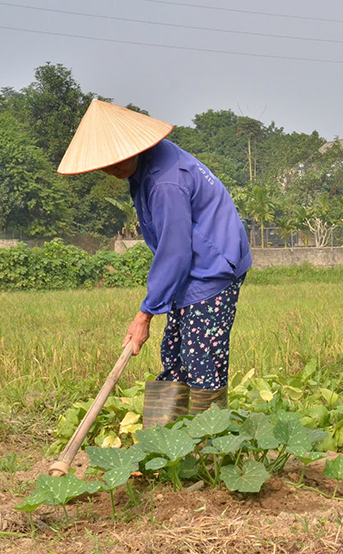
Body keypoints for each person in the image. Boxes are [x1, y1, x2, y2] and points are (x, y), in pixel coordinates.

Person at [58, 100, 252, 426]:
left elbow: (175, 252)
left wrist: (145, 314)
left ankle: (211, 449)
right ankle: (162, 441)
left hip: (213, 267)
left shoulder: (166, 182)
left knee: (200, 359)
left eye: (117, 158)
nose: (112, 168)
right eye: (105, 163)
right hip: (193, 264)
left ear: (133, 146)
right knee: (175, 352)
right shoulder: (146, 165)